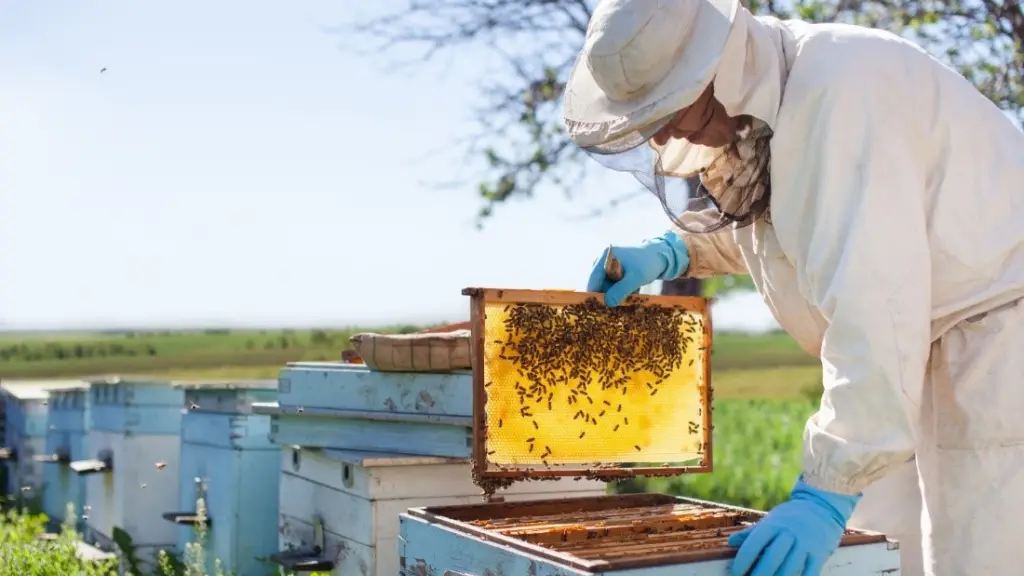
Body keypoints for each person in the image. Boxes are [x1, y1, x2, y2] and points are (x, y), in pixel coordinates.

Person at [563, 0, 1024, 575]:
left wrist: (824, 494)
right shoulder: (775, 100)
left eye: (669, 110)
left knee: (978, 559)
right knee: (880, 550)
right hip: (920, 344)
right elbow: (797, 222)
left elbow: (875, 301)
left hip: (995, 344)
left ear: (712, 70)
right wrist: (678, 248)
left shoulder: (839, 95)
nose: (663, 139)